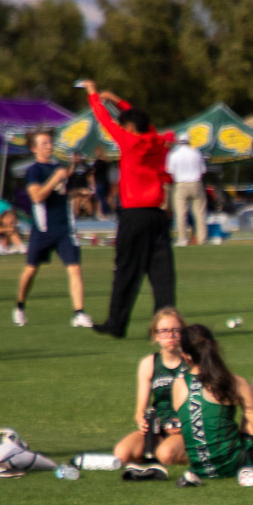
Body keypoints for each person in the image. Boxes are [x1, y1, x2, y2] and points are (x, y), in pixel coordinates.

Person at [83, 82, 176, 340]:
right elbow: (141, 119)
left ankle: (116, 323)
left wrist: (94, 95)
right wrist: (116, 99)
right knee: (162, 276)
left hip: (134, 215)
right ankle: (164, 329)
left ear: (130, 128)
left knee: (126, 271)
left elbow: (105, 121)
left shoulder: (130, 141)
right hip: (157, 215)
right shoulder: (156, 141)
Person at [171, 322, 253, 483]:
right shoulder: (231, 382)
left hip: (200, 469)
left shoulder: (178, 385)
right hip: (237, 465)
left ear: (186, 357)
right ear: (216, 346)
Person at [12, 129, 94, 329]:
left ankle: (79, 312)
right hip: (43, 229)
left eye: (50, 143)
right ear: (34, 148)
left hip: (65, 227)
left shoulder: (59, 167)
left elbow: (60, 194)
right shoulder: (34, 171)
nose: (49, 147)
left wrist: (77, 193)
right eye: (44, 144)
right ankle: (20, 306)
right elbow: (37, 197)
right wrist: (55, 179)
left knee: (75, 268)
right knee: (31, 270)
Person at [112, 308, 191, 472]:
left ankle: (191, 452)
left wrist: (183, 425)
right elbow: (140, 409)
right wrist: (142, 421)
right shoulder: (149, 363)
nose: (170, 336)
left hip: (185, 428)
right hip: (157, 428)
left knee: (166, 454)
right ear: (155, 336)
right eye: (163, 331)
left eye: (176, 331)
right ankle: (154, 452)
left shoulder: (191, 362)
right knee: (121, 453)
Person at [166, 134, 206, 247]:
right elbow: (202, 170)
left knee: (180, 213)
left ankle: (182, 239)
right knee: (199, 213)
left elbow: (171, 171)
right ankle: (202, 238)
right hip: (196, 183)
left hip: (180, 184)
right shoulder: (196, 153)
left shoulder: (174, 154)